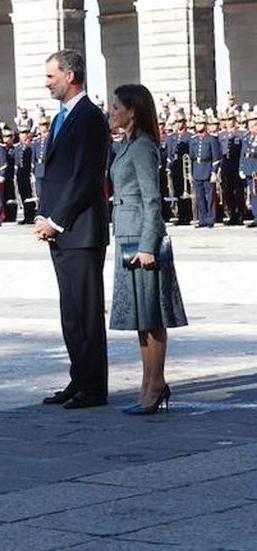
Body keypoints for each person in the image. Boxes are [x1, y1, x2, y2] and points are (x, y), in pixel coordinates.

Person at [36, 49, 111, 410]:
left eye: (51, 76)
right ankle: (79, 378)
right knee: (71, 312)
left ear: (70, 75)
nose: (47, 82)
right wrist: (42, 215)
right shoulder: (62, 118)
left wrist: (56, 219)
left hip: (80, 230)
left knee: (86, 310)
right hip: (62, 229)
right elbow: (56, 173)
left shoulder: (90, 117)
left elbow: (86, 177)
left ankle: (94, 387)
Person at [107, 84, 188, 414]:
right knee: (141, 316)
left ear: (133, 111)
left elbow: (153, 200)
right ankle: (148, 383)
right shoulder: (126, 145)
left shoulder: (142, 147)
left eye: (116, 107)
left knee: (152, 316)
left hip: (141, 237)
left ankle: (156, 384)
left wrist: (148, 246)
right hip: (126, 233)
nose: (111, 112)